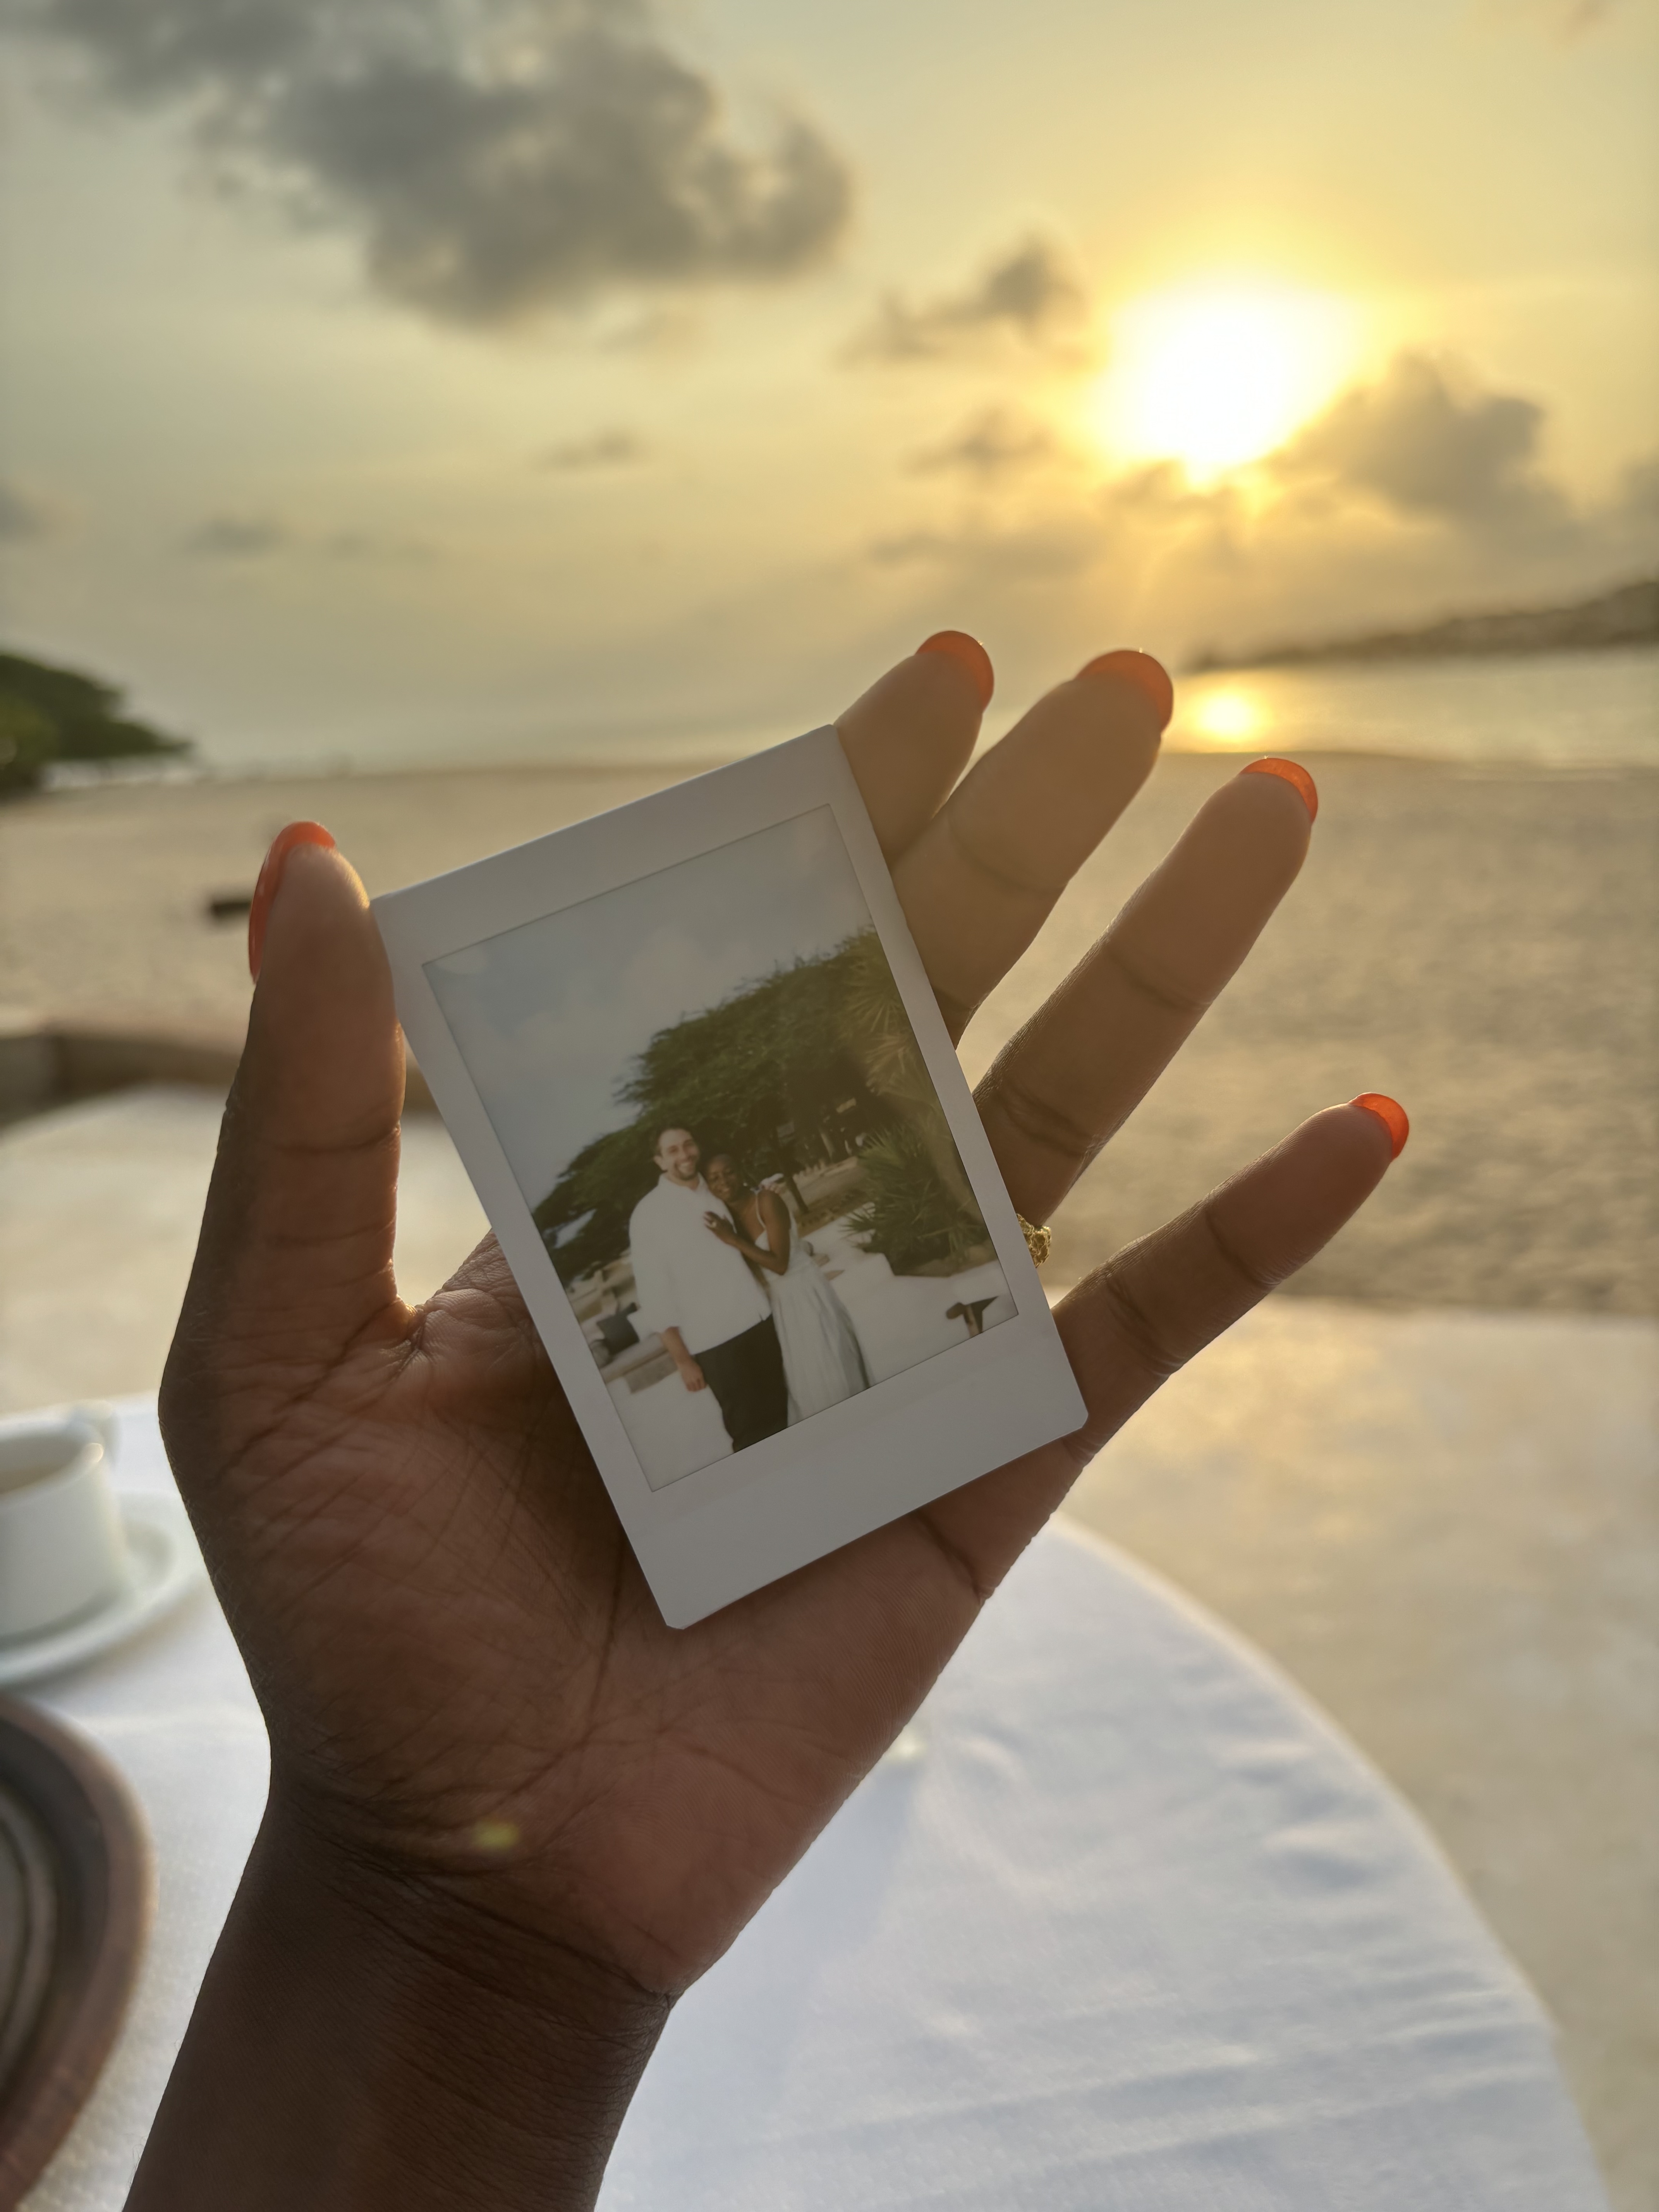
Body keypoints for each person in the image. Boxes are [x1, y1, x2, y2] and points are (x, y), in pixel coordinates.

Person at [130, 635, 1406, 2209]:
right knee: (763, 1414)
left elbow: (744, 1249)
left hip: (759, 1321)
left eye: (677, 1147)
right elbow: (685, 1276)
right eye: (664, 1146)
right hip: (721, 1347)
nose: (672, 1156)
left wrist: (446, 1942)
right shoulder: (660, 1209)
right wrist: (440, 1919)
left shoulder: (712, 1197)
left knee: (798, 1405)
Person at [628, 1124, 790, 1451]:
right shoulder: (648, 1215)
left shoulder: (715, 1189)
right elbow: (654, 1297)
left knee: (785, 1415)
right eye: (672, 1151)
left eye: (688, 1145)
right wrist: (683, 1361)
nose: (684, 1155)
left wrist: (767, 1193)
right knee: (751, 1434)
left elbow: (754, 1211)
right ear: (659, 1161)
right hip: (716, 1342)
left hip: (761, 1321)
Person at [703, 1152, 870, 1420]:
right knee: (805, 1383)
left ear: (742, 1171)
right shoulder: (726, 1219)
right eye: (714, 1178)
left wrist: (733, 1240)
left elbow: (780, 1264)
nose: (724, 1181)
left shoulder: (766, 1201)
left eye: (729, 1172)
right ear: (708, 1186)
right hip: (777, 1306)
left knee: (830, 1370)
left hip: (804, 1295)